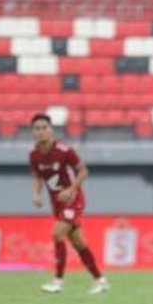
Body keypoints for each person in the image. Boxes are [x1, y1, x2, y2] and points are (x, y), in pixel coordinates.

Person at [29, 113, 108, 294]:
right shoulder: (34, 155)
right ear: (33, 132)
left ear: (51, 130)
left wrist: (71, 189)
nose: (41, 132)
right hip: (57, 203)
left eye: (44, 127)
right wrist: (36, 194)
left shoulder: (64, 151)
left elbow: (83, 171)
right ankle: (100, 280)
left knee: (57, 234)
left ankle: (58, 281)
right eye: (37, 128)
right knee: (78, 243)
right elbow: (37, 176)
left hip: (73, 199)